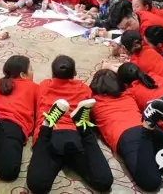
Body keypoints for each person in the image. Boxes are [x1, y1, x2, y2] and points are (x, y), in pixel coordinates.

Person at [90, 69, 163, 191]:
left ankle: (148, 126)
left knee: (150, 182)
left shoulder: (93, 102)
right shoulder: (128, 94)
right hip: (154, 132)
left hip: (128, 137)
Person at [26, 55, 113, 194]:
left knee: (37, 185)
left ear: (52, 74)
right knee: (104, 182)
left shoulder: (44, 85)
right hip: (76, 137)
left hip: (50, 136)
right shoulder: (84, 88)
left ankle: (47, 125)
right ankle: (83, 127)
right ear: (75, 73)